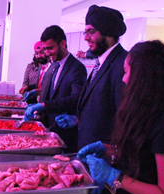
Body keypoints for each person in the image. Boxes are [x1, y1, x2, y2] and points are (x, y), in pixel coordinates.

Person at [78, 40, 164, 194]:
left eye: (126, 72)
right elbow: (141, 153)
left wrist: (116, 178)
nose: (124, 79)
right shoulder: (144, 107)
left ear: (142, 77)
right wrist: (109, 149)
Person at [55, 5, 128, 150]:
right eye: (85, 32)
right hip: (89, 149)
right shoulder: (101, 61)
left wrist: (114, 153)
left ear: (109, 33)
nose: (86, 38)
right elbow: (100, 107)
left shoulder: (123, 64)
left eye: (92, 32)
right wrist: (78, 119)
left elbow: (124, 118)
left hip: (105, 155)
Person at [25, 25, 87, 152]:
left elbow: (76, 98)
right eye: (45, 49)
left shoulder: (77, 68)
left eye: (50, 48)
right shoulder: (53, 66)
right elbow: (52, 92)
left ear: (63, 44)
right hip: (48, 129)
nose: (47, 53)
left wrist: (43, 105)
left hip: (65, 133)